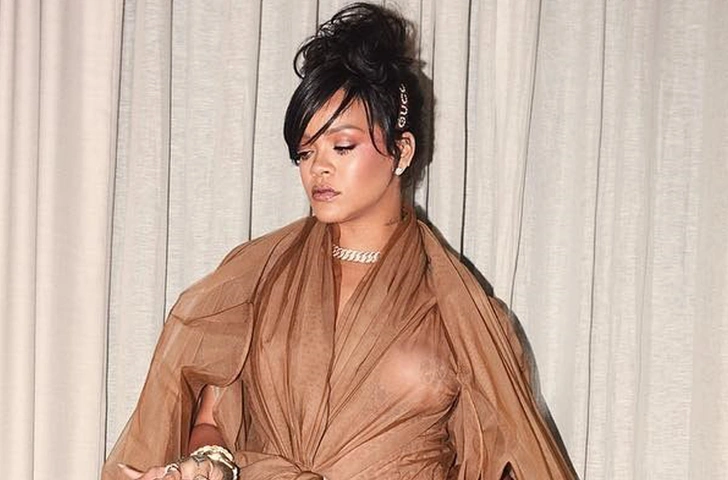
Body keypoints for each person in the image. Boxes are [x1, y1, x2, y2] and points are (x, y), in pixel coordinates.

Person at [103, 3, 576, 479]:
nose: (319, 168)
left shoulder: (462, 313)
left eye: (342, 146)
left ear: (401, 151)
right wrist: (210, 463)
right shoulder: (257, 278)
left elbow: (505, 458)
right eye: (305, 152)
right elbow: (210, 421)